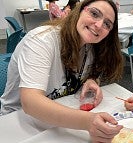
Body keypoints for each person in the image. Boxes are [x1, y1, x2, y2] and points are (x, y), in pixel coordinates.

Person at [0, 0, 124, 142]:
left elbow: (88, 72)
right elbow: (30, 102)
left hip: (58, 114)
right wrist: (88, 122)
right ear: (79, 10)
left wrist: (91, 80)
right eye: (94, 14)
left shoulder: (89, 46)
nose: (99, 25)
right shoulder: (41, 40)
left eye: (107, 24)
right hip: (19, 121)